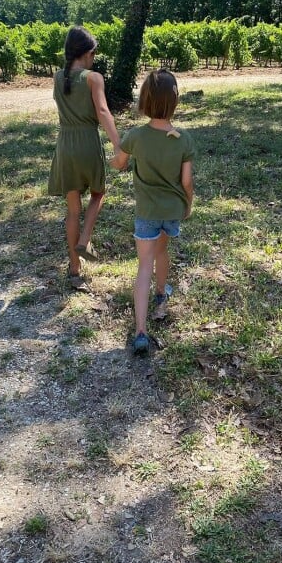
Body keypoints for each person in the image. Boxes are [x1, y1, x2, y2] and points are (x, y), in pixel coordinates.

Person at [111, 69, 195, 355]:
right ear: (176, 101)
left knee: (144, 265)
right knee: (163, 252)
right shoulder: (183, 139)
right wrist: (189, 203)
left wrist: (111, 159)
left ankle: (140, 331)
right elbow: (186, 181)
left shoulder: (135, 136)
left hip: (146, 212)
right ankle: (162, 292)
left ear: (144, 101)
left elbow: (120, 163)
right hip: (172, 211)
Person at [48, 26, 121, 291]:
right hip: (88, 143)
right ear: (87, 53)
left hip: (65, 145)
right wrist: (118, 145)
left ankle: (74, 269)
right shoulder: (94, 78)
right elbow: (102, 110)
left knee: (72, 211)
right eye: (94, 53)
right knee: (98, 194)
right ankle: (85, 239)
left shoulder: (57, 77)